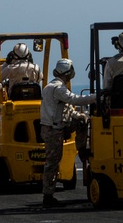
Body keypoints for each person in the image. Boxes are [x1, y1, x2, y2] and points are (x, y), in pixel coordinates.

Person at [39, 58, 92, 210]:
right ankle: (47, 196)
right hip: (53, 130)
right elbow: (75, 99)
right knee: (53, 162)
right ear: (68, 73)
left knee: (82, 122)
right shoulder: (59, 89)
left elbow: (66, 110)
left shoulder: (53, 87)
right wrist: (96, 97)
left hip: (56, 127)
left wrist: (79, 116)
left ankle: (82, 149)